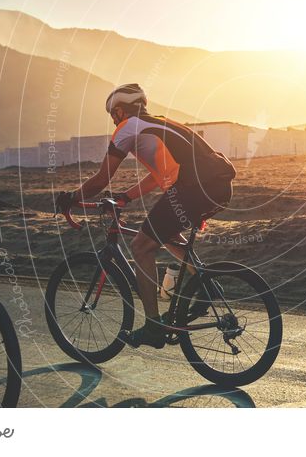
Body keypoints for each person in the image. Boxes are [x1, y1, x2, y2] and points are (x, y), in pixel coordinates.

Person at [56, 84, 236, 348]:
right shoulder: (161, 123)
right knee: (166, 234)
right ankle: (206, 285)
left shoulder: (127, 128)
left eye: (112, 115)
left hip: (193, 187)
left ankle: (153, 326)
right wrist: (126, 197)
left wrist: (71, 198)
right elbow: (158, 175)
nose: (113, 121)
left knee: (141, 246)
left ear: (119, 111)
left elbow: (102, 178)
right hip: (218, 186)